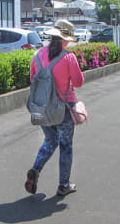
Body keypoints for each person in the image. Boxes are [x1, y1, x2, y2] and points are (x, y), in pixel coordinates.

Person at [25, 20, 84, 197]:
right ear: (65, 39)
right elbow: (79, 82)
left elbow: (32, 79)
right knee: (65, 146)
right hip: (64, 109)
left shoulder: (37, 55)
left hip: (43, 108)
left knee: (50, 140)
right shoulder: (68, 57)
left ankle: (35, 169)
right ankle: (63, 185)